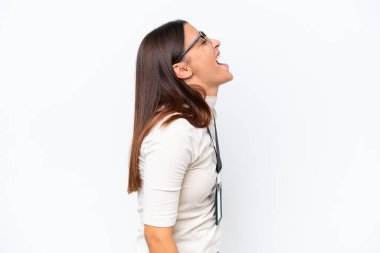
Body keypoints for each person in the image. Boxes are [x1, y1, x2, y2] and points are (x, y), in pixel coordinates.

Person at [127, 19, 233, 253]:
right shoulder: (173, 133)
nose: (216, 43)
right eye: (202, 41)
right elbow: (156, 237)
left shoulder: (199, 117)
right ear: (183, 69)